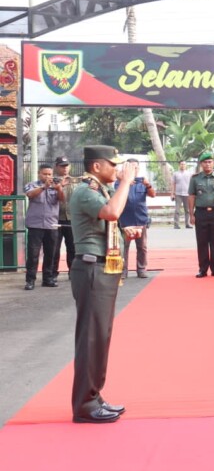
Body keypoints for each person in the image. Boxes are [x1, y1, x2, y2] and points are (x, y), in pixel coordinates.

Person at [70, 145, 136, 423]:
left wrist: (124, 233)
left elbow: (109, 221)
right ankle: (85, 404)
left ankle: (94, 395)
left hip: (101, 265)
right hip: (91, 267)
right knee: (91, 337)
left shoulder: (99, 190)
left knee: (100, 335)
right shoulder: (86, 190)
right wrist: (127, 183)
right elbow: (111, 213)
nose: (117, 169)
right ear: (97, 166)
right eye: (113, 164)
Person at [24, 163, 64, 290]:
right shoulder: (32, 185)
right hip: (35, 225)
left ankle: (48, 279)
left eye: (50, 174)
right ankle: (30, 280)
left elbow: (62, 199)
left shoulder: (55, 185)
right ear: (39, 174)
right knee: (33, 254)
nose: (48, 176)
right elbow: (30, 195)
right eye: (45, 174)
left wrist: (59, 189)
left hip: (51, 224)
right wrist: (43, 187)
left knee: (50, 253)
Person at [116, 158, 154, 279]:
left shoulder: (142, 182)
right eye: (131, 167)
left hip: (140, 219)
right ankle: (123, 270)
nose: (134, 169)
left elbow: (153, 195)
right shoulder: (119, 182)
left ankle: (141, 269)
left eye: (136, 167)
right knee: (124, 247)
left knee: (142, 247)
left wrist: (148, 185)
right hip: (125, 221)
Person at [52, 156, 77, 283]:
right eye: (62, 166)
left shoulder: (76, 182)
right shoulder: (51, 182)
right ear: (56, 167)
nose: (65, 168)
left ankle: (72, 272)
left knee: (72, 247)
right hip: (55, 219)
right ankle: (52, 274)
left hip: (72, 219)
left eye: (67, 165)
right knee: (54, 248)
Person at [172, 160, 193, 229]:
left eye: (184, 164)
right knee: (177, 210)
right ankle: (176, 224)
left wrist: (192, 194)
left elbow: (192, 184)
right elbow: (173, 184)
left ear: (186, 165)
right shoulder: (175, 174)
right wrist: (172, 193)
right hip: (178, 194)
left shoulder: (189, 174)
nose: (183, 165)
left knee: (187, 210)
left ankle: (187, 224)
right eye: (181, 164)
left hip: (187, 194)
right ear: (179, 165)